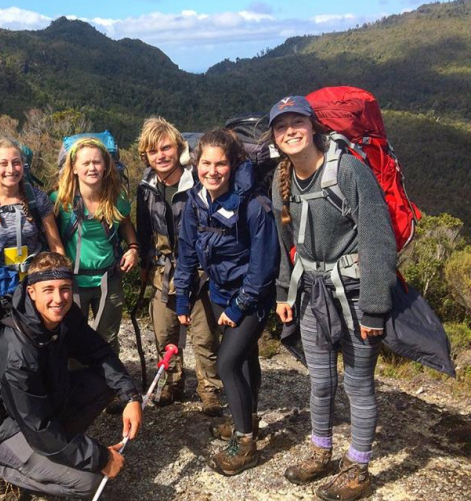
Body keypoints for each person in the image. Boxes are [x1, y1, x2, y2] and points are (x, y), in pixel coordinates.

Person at [269, 96, 396, 501]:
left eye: (297, 122)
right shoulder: (281, 178)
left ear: (313, 126)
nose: (290, 131)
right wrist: (284, 292)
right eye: (281, 125)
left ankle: (358, 468)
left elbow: (378, 238)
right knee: (320, 381)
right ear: (274, 136)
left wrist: (375, 308)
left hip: (355, 295)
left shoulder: (349, 170)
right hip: (311, 295)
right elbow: (287, 240)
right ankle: (320, 452)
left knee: (358, 383)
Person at [0, 252, 143, 500]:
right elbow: (38, 427)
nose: (58, 299)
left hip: (35, 406)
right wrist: (100, 456)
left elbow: (99, 352)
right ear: (31, 291)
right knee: (90, 484)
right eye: (48, 289)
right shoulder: (17, 349)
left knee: (105, 380)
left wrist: (131, 396)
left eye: (65, 289)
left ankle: (55, 451)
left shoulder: (66, 315)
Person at [174, 128, 279, 476]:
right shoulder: (196, 200)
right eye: (206, 163)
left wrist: (239, 306)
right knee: (245, 358)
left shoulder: (253, 204)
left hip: (252, 298)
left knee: (227, 363)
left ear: (234, 165)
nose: (213, 171)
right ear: (196, 164)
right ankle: (243, 419)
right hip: (219, 292)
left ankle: (245, 443)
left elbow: (264, 265)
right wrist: (183, 299)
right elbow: (187, 253)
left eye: (221, 164)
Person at [136, 116, 223, 414]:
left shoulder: (198, 183)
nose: (160, 155)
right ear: (145, 156)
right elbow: (144, 229)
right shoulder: (146, 187)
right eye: (152, 151)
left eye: (166, 148)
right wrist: (144, 266)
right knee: (165, 332)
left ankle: (209, 388)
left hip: (199, 271)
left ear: (179, 148)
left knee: (205, 335)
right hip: (162, 270)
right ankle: (172, 382)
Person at [52, 137, 138, 358]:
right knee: (72, 337)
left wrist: (133, 247)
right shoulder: (61, 201)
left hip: (108, 279)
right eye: (86, 163)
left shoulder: (116, 198)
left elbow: (126, 222)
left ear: (106, 166)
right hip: (73, 281)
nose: (92, 168)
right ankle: (77, 387)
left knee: (107, 338)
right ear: (74, 169)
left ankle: (107, 388)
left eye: (97, 162)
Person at [0, 136, 63, 272]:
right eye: (3, 163)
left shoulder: (38, 198)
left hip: (34, 281)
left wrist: (62, 278)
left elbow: (56, 246)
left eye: (16, 163)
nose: (11, 170)